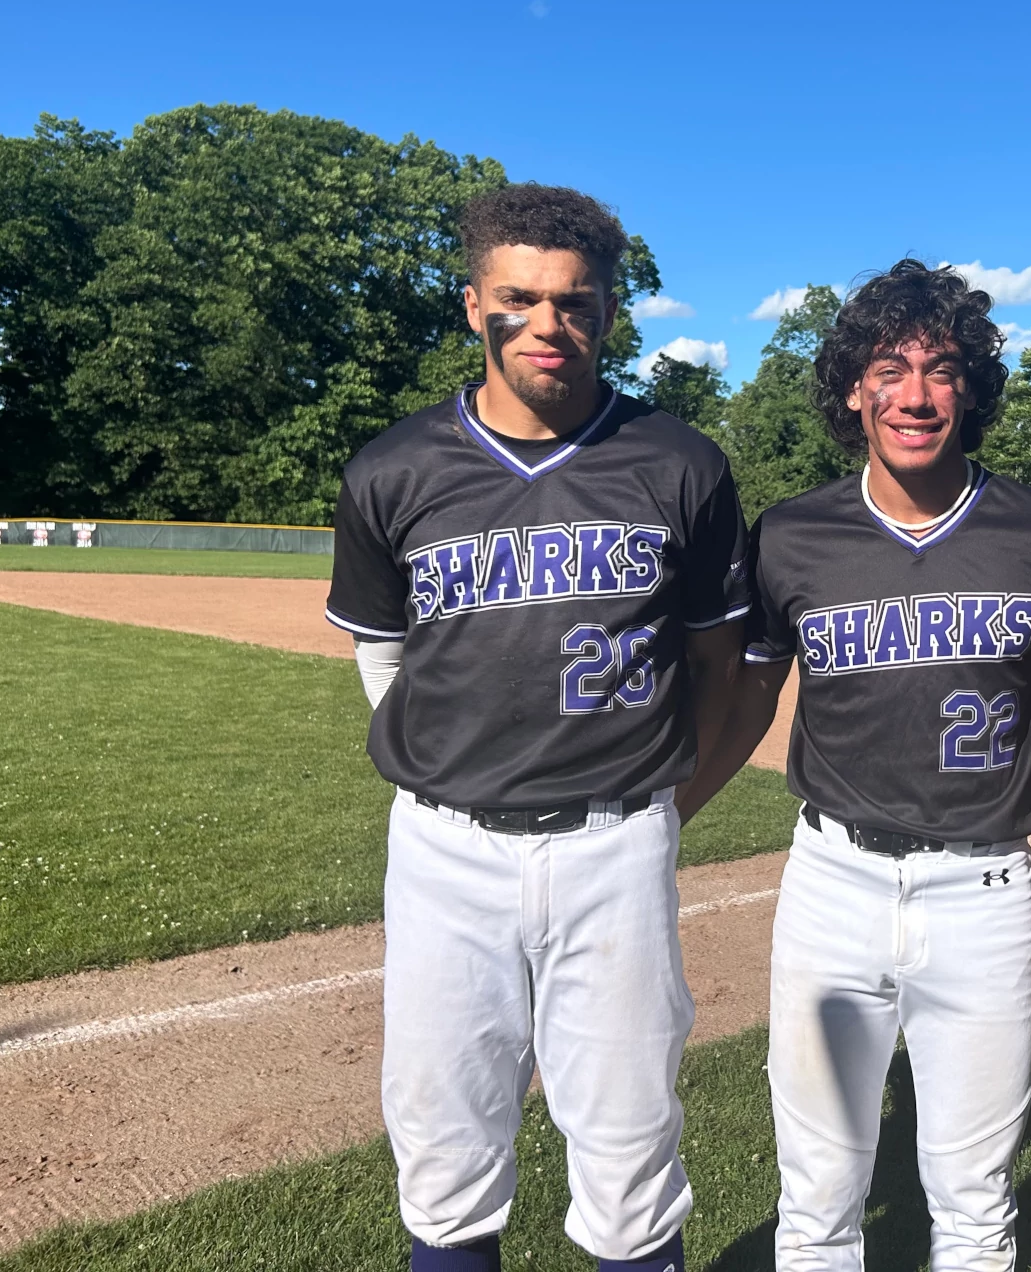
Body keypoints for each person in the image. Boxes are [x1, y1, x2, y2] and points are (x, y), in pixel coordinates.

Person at [324, 184, 748, 1272]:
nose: (548, 324)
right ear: (475, 306)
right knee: (444, 1142)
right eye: (520, 298)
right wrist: (451, 763)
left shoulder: (680, 464)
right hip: (442, 848)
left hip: (615, 842)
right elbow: (383, 655)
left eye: (577, 302)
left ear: (608, 313)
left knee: (628, 1148)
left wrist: (657, 807)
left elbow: (714, 663)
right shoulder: (392, 468)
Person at [680, 261, 1031, 1272]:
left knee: (971, 1203)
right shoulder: (791, 536)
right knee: (818, 1195)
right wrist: (660, 817)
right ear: (853, 391)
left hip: (985, 889)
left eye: (941, 369)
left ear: (971, 389)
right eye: (890, 369)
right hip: (832, 884)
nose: (915, 394)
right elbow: (742, 697)